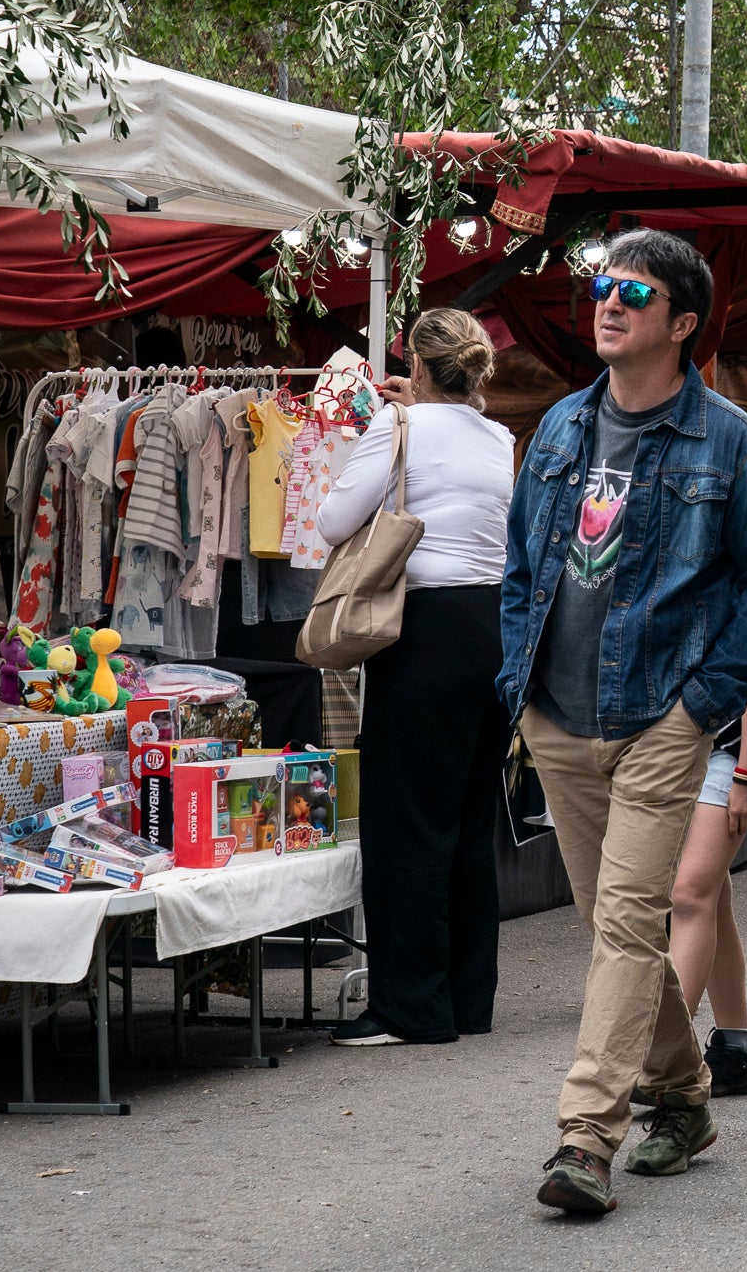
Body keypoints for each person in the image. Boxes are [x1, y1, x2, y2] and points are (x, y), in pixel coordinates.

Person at [497, 229, 747, 1215]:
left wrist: (700, 708)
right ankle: (682, 1093)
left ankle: (585, 1137)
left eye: (633, 290)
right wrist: (520, 684)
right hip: (557, 715)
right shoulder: (555, 430)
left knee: (629, 921)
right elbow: (518, 569)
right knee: (612, 925)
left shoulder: (729, 440)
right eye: (601, 285)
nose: (608, 302)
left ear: (681, 323)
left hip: (656, 721)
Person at [314, 308, 514, 1049]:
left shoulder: (397, 428)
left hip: (422, 630)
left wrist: (392, 423)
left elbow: (335, 520)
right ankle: (468, 997)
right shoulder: (499, 439)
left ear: (419, 368)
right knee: (467, 817)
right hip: (490, 628)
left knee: (407, 819)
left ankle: (410, 1006)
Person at [667, 669, 747, 1096]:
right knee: (710, 896)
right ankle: (737, 1049)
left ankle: (666, 1058)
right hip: (671, 742)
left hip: (734, 745)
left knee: (689, 893)